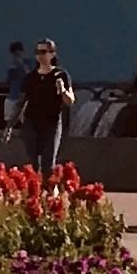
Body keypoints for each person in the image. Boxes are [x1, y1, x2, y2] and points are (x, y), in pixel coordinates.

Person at [12, 39, 80, 179]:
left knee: (48, 164)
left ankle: (50, 194)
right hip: (31, 123)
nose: (40, 56)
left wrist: (62, 91)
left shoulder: (61, 75)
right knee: (32, 163)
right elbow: (22, 101)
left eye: (43, 52)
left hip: (52, 123)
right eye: (37, 52)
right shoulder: (31, 77)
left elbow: (70, 101)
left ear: (52, 54)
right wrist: (10, 125)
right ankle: (34, 194)